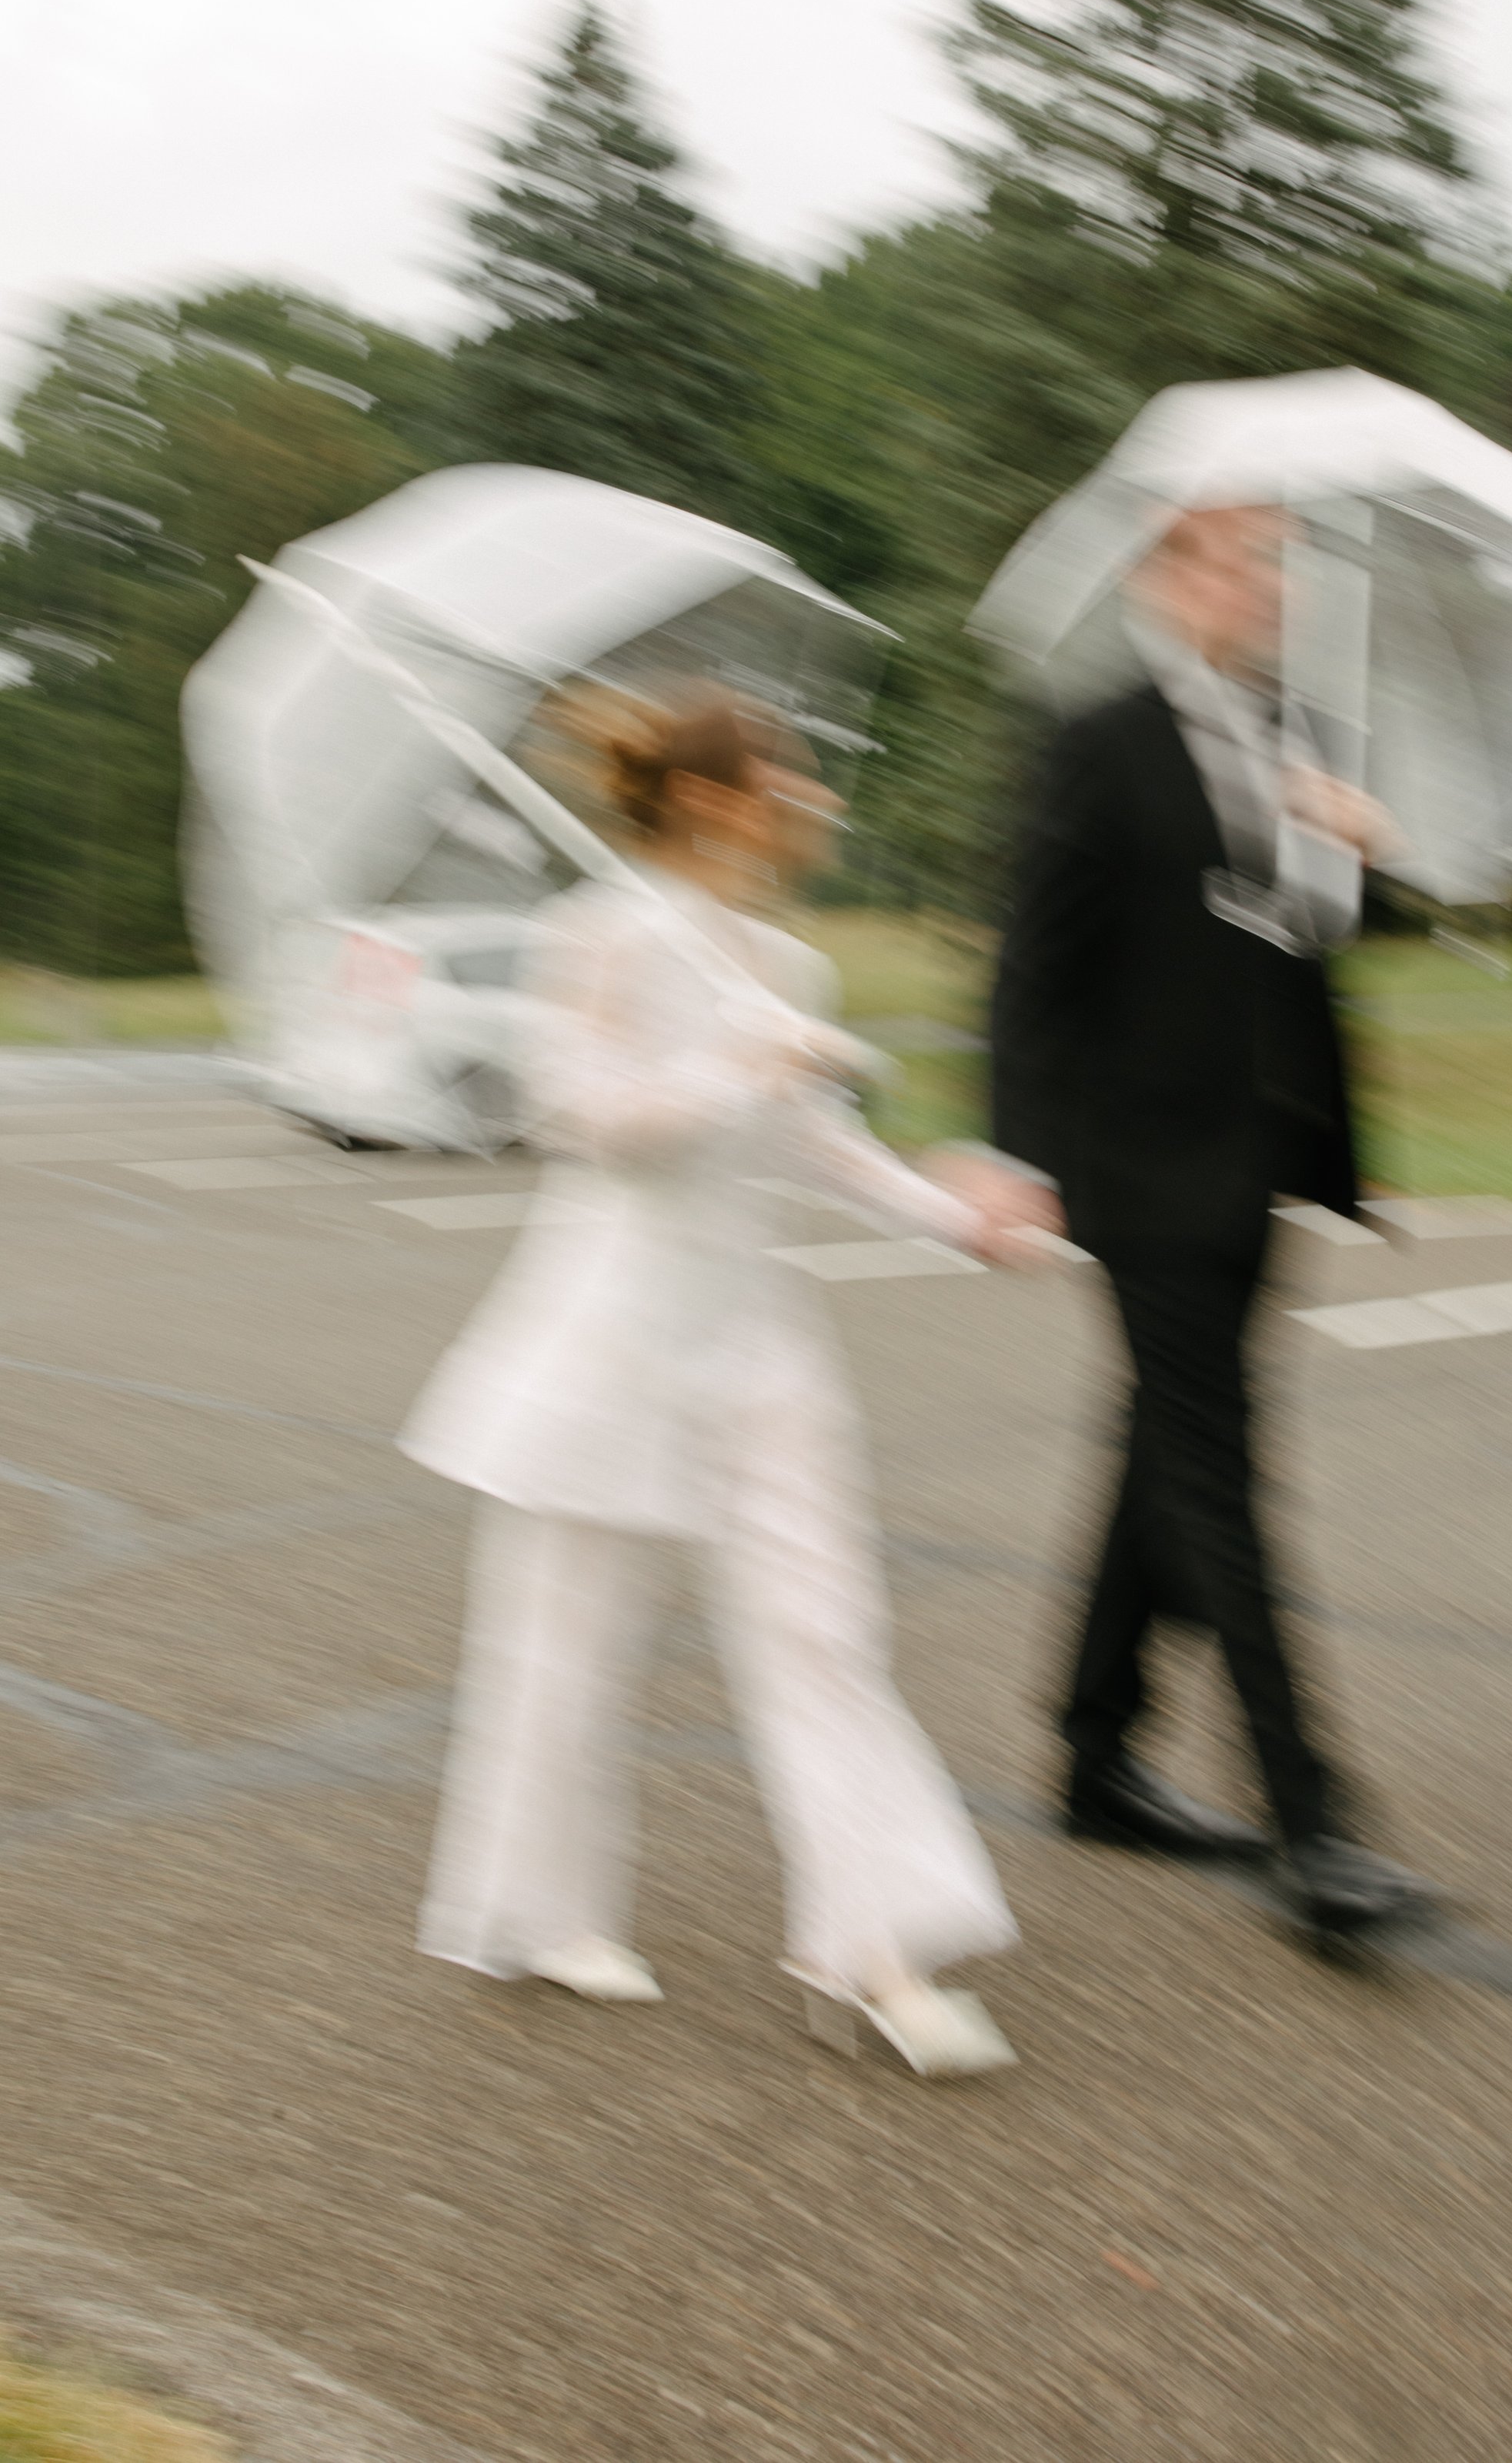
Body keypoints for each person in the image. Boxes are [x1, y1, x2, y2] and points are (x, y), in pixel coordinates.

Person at [406, 685, 1036, 2075]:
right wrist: (736, 1067)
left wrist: (958, 1220)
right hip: (605, 1341)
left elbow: (820, 1145)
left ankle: (874, 1948)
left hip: (759, 1346)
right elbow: (582, 1120)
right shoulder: (601, 932)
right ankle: (538, 1912)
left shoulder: (783, 961)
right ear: (708, 798)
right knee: (560, 1649)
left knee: (824, 1630)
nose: (814, 795)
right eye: (786, 773)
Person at [985, 504, 1436, 1940]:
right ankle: (1312, 1822)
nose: (1269, 584)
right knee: (1224, 1481)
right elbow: (1031, 964)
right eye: (1239, 558)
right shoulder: (1100, 740)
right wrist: (1018, 1153)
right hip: (1142, 1172)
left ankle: (1096, 1748)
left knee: (1165, 1455)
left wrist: (1362, 844)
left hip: (1259, 1166)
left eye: (1278, 559)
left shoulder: (1295, 730)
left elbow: (1303, 946)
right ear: (1165, 578)